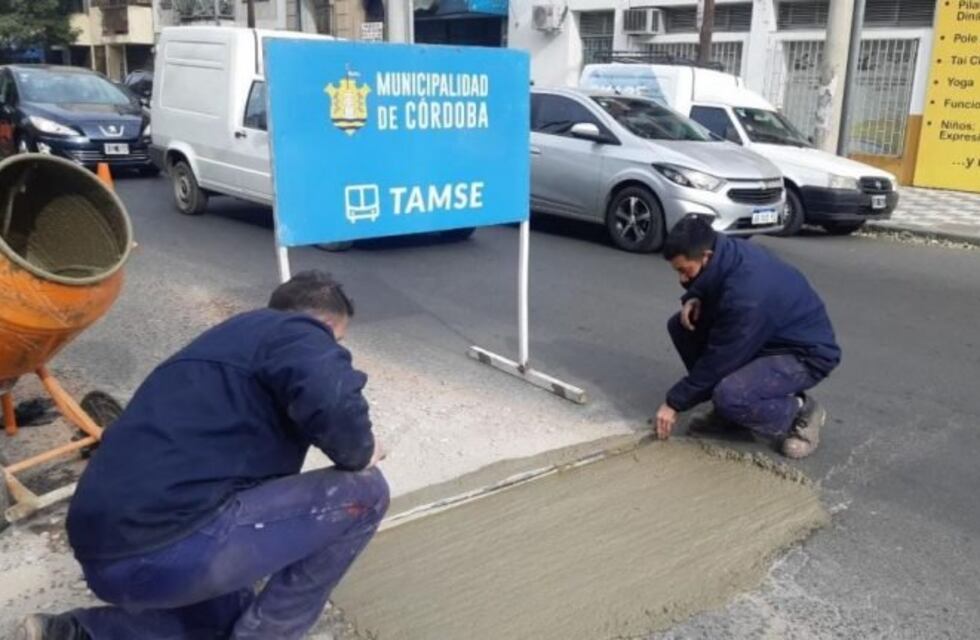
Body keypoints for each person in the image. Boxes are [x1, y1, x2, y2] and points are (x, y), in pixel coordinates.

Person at [19, 271, 389, 640]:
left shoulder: (213, 352)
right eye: (336, 340)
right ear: (323, 323)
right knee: (367, 492)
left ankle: (74, 632)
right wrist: (363, 449)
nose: (333, 347)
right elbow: (332, 396)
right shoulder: (295, 331)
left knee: (225, 619)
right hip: (168, 549)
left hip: (108, 558)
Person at [652, 215, 841, 458]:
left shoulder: (746, 295)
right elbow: (714, 283)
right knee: (681, 327)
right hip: (764, 336)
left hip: (805, 354)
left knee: (731, 395)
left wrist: (673, 403)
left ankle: (801, 412)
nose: (682, 279)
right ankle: (729, 415)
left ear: (706, 256)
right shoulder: (725, 252)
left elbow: (720, 359)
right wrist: (694, 296)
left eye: (684, 270)